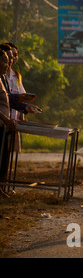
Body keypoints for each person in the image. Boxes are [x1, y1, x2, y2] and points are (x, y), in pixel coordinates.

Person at [0, 50, 17, 197]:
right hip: (2, 123)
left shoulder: (1, 79)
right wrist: (5, 119)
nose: (7, 64)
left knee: (3, 158)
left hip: (4, 126)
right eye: (4, 61)